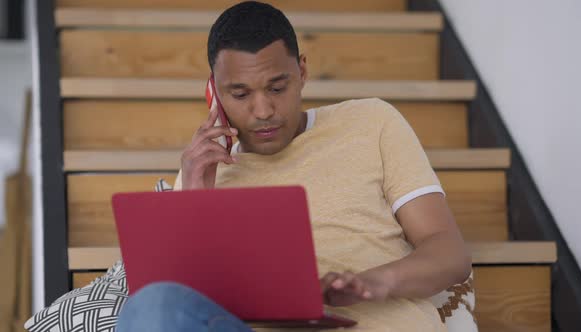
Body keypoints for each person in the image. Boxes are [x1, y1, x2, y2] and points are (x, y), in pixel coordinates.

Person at [116, 1, 472, 331]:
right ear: (214, 92)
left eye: (277, 87)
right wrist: (194, 195)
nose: (263, 110)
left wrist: (373, 282)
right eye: (240, 95)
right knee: (152, 306)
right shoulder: (202, 172)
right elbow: (183, 302)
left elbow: (449, 253)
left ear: (301, 71)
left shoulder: (372, 122)